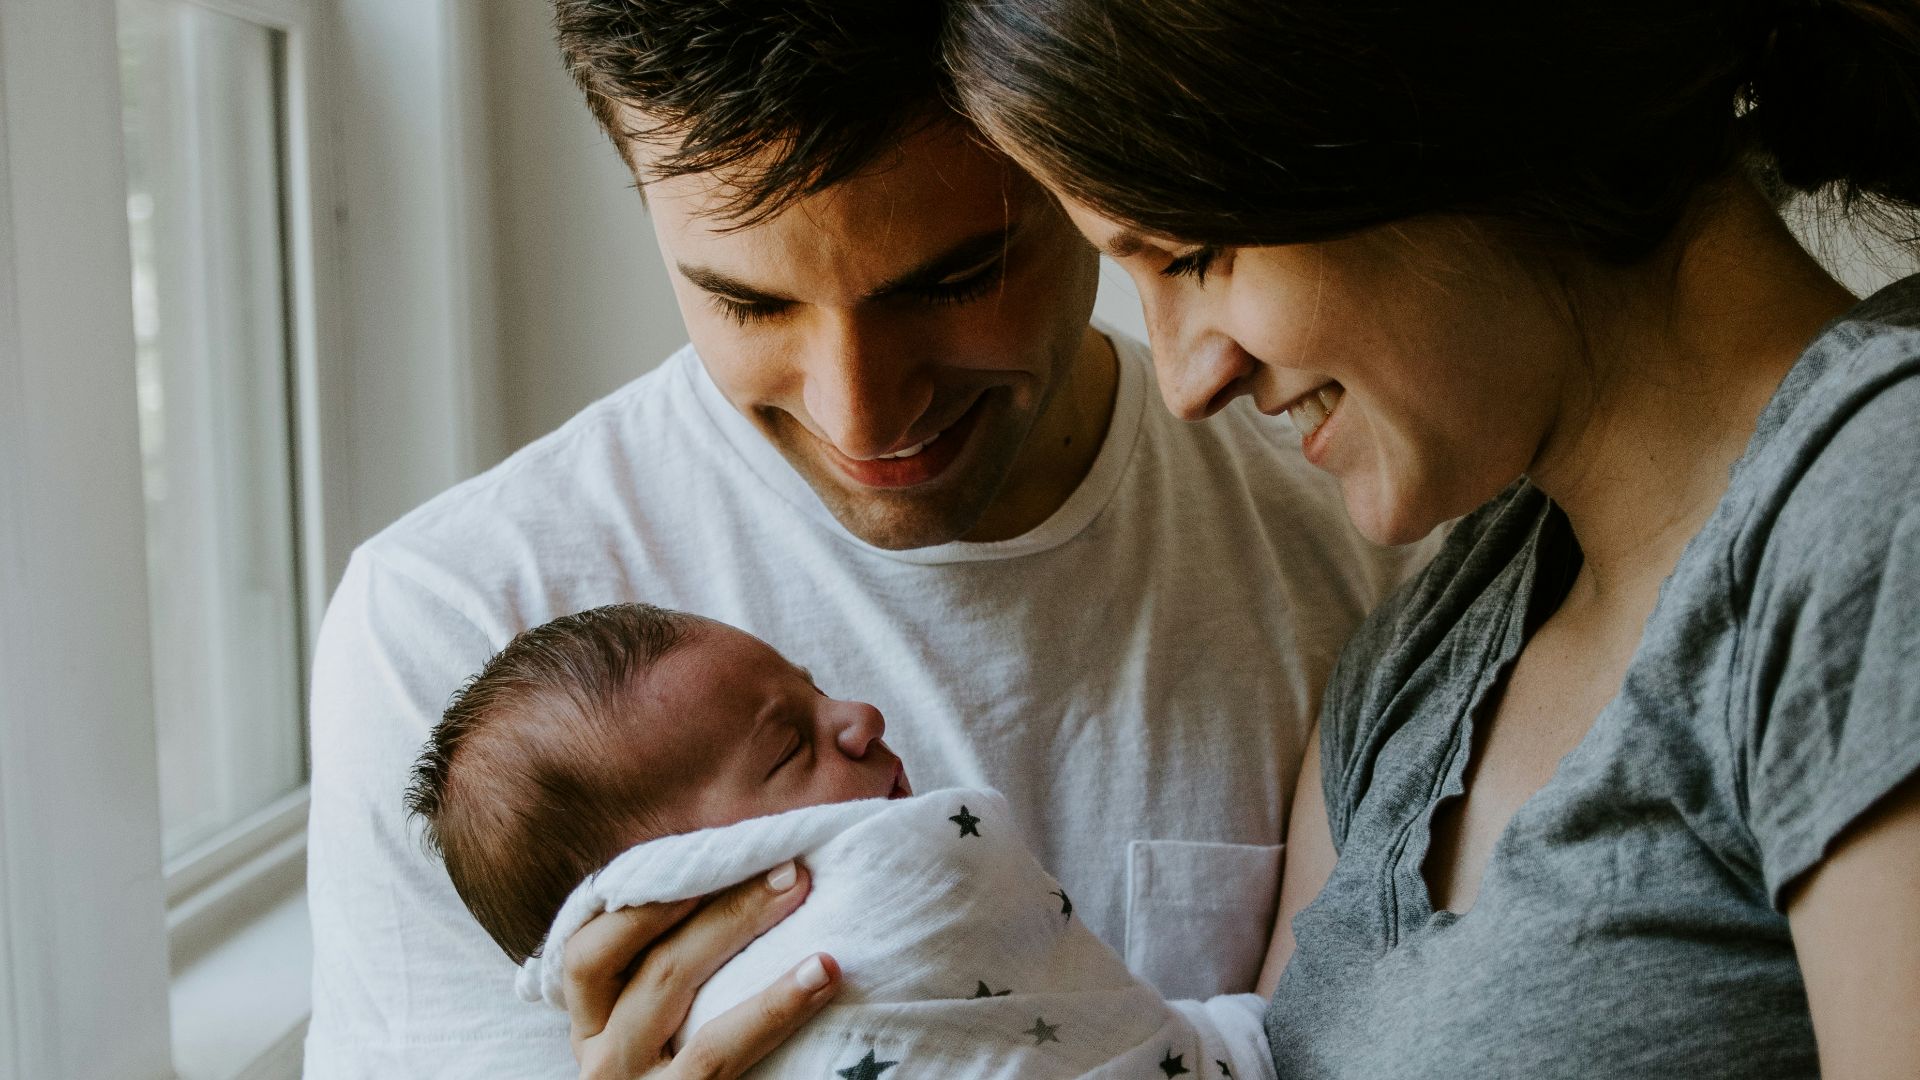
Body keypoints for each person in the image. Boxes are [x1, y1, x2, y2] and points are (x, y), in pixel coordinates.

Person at [300, 1, 1423, 1076]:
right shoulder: (452, 633)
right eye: (748, 303)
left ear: (1084, 175)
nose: (863, 419)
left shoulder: (1380, 540)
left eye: (955, 280)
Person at [930, 0, 1920, 1077]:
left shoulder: (1877, 506)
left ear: (1439, 119)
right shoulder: (1424, 656)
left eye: (1196, 256)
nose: (1186, 382)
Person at [407, 603, 1277, 1079]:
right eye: (789, 746)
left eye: (815, 688)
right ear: (673, 888)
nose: (860, 717)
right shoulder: (427, 599)